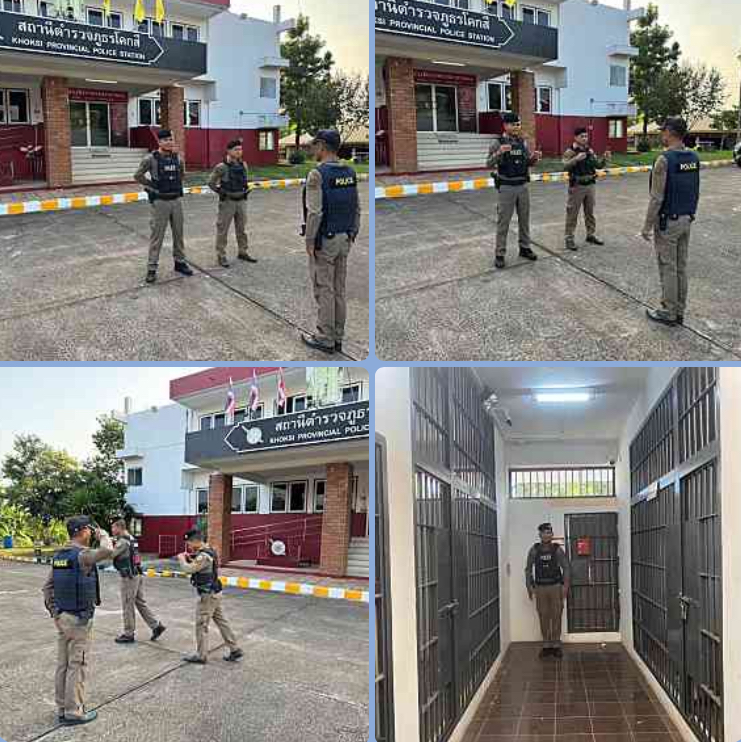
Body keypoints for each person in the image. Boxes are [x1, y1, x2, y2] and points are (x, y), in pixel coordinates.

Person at [42, 516, 114, 725]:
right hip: (79, 620)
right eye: (89, 530)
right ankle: (74, 711)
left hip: (63, 618)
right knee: (77, 664)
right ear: (82, 531)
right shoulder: (82, 555)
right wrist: (104, 535)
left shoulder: (60, 556)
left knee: (63, 665)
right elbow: (107, 551)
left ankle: (62, 708)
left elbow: (47, 588)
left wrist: (55, 613)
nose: (91, 533)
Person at [300, 129, 361, 354]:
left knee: (324, 289)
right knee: (338, 289)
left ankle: (325, 338)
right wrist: (353, 233)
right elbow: (357, 207)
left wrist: (309, 241)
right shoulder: (350, 172)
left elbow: (315, 212)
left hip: (326, 240)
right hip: (345, 237)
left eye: (315, 145)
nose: (313, 149)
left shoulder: (317, 174)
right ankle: (337, 337)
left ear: (322, 146)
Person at [641, 116, 700, 327]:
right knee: (680, 267)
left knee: (668, 267)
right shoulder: (693, 158)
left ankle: (668, 311)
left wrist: (647, 226)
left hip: (668, 223)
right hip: (686, 219)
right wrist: (691, 214)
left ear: (670, 132)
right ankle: (679, 310)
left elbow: (656, 198)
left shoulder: (664, 160)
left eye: (663, 131)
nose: (661, 134)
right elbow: (695, 190)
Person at [134, 129, 193, 284]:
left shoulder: (177, 158)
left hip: (176, 201)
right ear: (159, 142)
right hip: (160, 202)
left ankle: (180, 263)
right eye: (165, 140)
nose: (169, 142)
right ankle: (152, 268)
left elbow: (181, 175)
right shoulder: (150, 159)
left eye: (170, 139)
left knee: (179, 234)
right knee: (157, 236)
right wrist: (152, 185)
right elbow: (138, 175)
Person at [177, 529, 243, 664]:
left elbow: (189, 569)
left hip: (208, 595)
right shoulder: (209, 551)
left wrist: (182, 559)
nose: (188, 546)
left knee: (201, 624)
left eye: (189, 543)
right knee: (221, 621)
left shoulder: (204, 556)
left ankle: (201, 655)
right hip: (215, 593)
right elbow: (201, 567)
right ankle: (235, 649)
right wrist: (191, 559)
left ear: (195, 541)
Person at [486, 112, 542, 269]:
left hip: (522, 186)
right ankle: (500, 254)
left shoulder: (522, 142)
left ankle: (525, 247)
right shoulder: (497, 142)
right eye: (513, 124)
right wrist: (499, 152)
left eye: (518, 124)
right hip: (507, 187)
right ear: (505, 126)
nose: (517, 127)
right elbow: (488, 163)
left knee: (524, 220)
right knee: (503, 222)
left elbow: (527, 162)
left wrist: (535, 158)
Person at [110, 519, 166, 644]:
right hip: (137, 574)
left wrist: (105, 542)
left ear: (119, 527)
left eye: (113, 527)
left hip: (129, 577)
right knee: (140, 602)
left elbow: (110, 554)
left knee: (127, 604)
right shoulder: (131, 538)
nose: (112, 530)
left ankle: (128, 634)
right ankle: (156, 626)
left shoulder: (123, 542)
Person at [207, 139, 258, 268]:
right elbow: (211, 182)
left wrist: (246, 190)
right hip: (228, 202)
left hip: (241, 201)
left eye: (240, 149)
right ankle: (221, 256)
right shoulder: (221, 167)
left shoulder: (243, 165)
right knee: (223, 230)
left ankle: (243, 252)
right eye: (236, 149)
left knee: (242, 229)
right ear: (229, 151)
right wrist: (220, 192)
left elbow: (245, 180)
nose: (239, 152)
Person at [525, 523, 571, 659]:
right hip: (540, 588)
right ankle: (546, 644)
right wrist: (529, 586)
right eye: (544, 532)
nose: (546, 535)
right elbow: (528, 569)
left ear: (552, 534)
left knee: (556, 615)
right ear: (540, 534)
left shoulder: (557, 550)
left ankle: (556, 644)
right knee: (543, 615)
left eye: (549, 532)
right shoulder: (534, 550)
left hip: (555, 587)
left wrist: (565, 586)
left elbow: (566, 567)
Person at [562, 128, 611, 251]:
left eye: (586, 136)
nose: (585, 138)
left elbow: (598, 165)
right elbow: (564, 166)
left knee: (590, 212)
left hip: (590, 185)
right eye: (582, 136)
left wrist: (605, 159)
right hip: (577, 186)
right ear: (576, 137)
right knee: (572, 213)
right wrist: (576, 159)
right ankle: (569, 239)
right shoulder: (570, 151)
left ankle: (590, 234)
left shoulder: (589, 150)